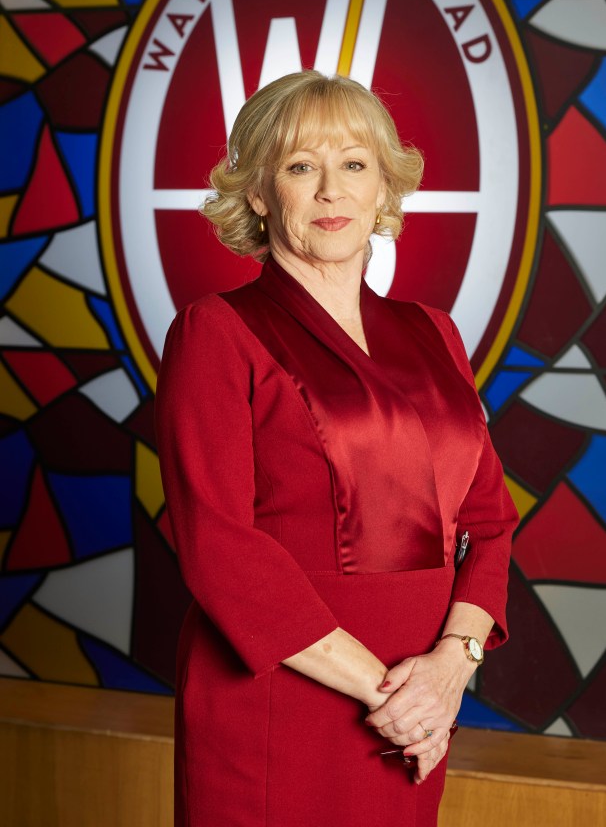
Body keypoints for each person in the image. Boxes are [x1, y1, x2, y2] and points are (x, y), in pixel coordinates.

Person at [155, 70, 519, 827]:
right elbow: (218, 546)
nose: (331, 191)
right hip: (278, 703)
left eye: (354, 164)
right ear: (258, 193)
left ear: (383, 186)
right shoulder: (215, 331)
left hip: (417, 712)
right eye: (300, 167)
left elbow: (489, 521)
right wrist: (390, 693)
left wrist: (452, 669)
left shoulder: (434, 332)